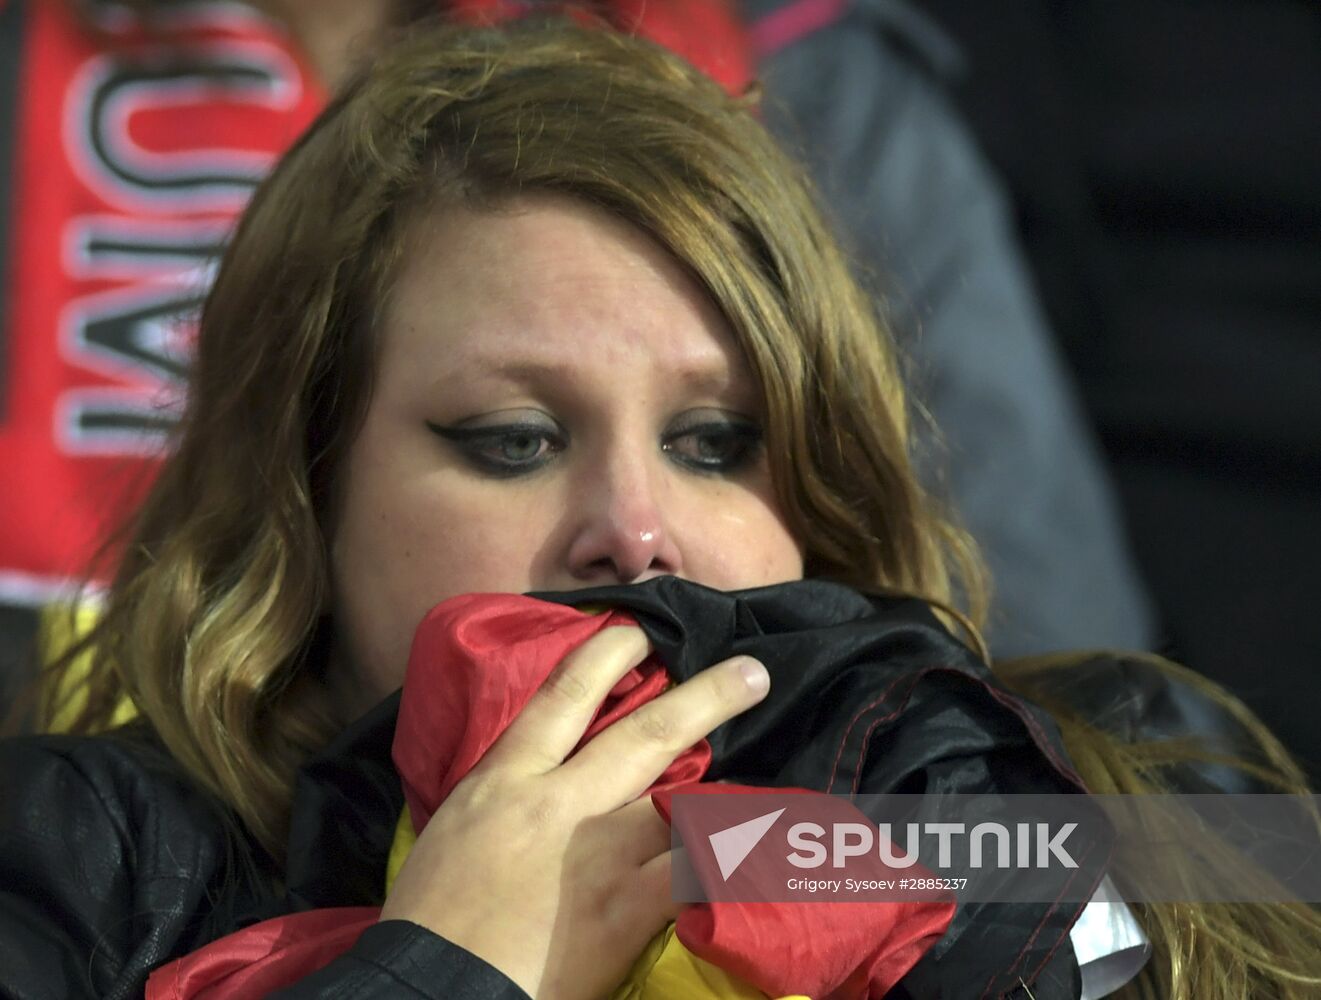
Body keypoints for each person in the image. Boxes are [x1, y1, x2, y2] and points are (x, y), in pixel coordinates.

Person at [0, 16, 1317, 1000]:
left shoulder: (1103, 782)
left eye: (715, 442)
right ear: (307, 494)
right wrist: (443, 964)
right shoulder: (77, 858)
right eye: (511, 441)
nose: (632, 531)